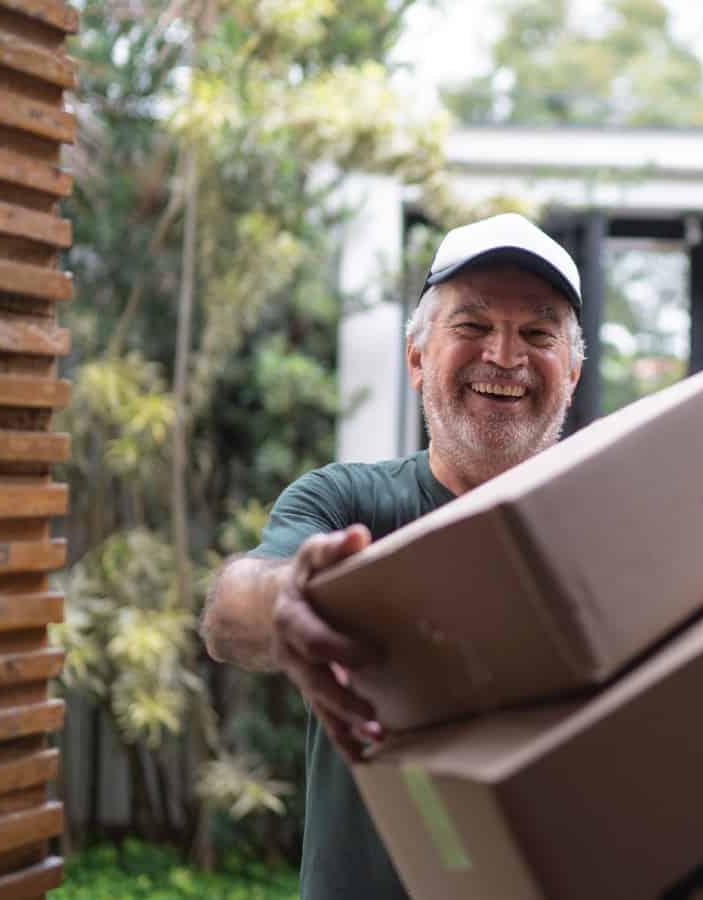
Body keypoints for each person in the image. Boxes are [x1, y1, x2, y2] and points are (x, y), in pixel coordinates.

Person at [199, 213, 586, 899]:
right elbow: (232, 612)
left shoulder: (610, 527)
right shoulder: (350, 505)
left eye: (537, 332)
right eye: (471, 326)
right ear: (416, 359)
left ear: (573, 371)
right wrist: (287, 599)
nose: (504, 354)